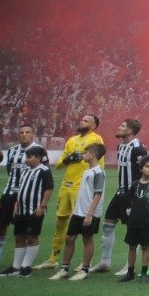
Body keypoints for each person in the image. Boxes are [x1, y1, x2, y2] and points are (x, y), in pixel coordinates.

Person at [46, 113, 103, 269]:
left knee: (81, 224)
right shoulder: (71, 140)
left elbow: (99, 165)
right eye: (82, 119)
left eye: (86, 120)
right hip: (66, 185)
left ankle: (86, 262)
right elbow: (58, 165)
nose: (81, 121)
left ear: (93, 126)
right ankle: (53, 258)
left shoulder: (96, 139)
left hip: (81, 187)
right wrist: (68, 159)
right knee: (60, 221)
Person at [0, 123, 43, 268]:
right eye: (21, 132)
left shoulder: (39, 151)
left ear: (33, 134)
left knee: (24, 227)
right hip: (9, 192)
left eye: (27, 132)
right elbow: (9, 170)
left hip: (28, 195)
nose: (24, 134)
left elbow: (43, 172)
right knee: (1, 223)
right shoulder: (12, 151)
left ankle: (23, 262)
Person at [99, 117, 146, 276]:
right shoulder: (120, 146)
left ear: (130, 130)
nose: (119, 127)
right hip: (120, 192)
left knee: (132, 229)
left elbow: (145, 171)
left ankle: (129, 265)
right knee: (108, 223)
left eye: (123, 126)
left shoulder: (138, 148)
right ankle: (105, 262)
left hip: (132, 194)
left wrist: (139, 194)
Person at [52, 143, 105, 281]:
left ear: (93, 155)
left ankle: (85, 270)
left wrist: (89, 214)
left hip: (89, 213)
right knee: (69, 238)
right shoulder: (87, 170)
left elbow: (98, 195)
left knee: (87, 239)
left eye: (85, 153)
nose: (83, 155)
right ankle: (64, 269)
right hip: (78, 212)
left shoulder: (98, 172)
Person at [0, 145, 52, 277]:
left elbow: (49, 188)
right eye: (26, 157)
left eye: (29, 157)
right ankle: (16, 267)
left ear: (38, 158)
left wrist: (42, 206)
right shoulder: (25, 171)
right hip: (21, 210)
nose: (26, 160)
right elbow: (21, 189)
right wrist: (16, 207)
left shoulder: (44, 170)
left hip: (34, 210)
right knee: (19, 237)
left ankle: (26, 267)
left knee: (32, 237)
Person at [120, 156, 149, 283]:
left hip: (147, 221)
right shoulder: (134, 184)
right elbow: (132, 201)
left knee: (145, 246)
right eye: (147, 166)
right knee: (132, 246)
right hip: (133, 221)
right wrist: (131, 216)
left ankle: (144, 272)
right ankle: (130, 272)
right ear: (141, 168)